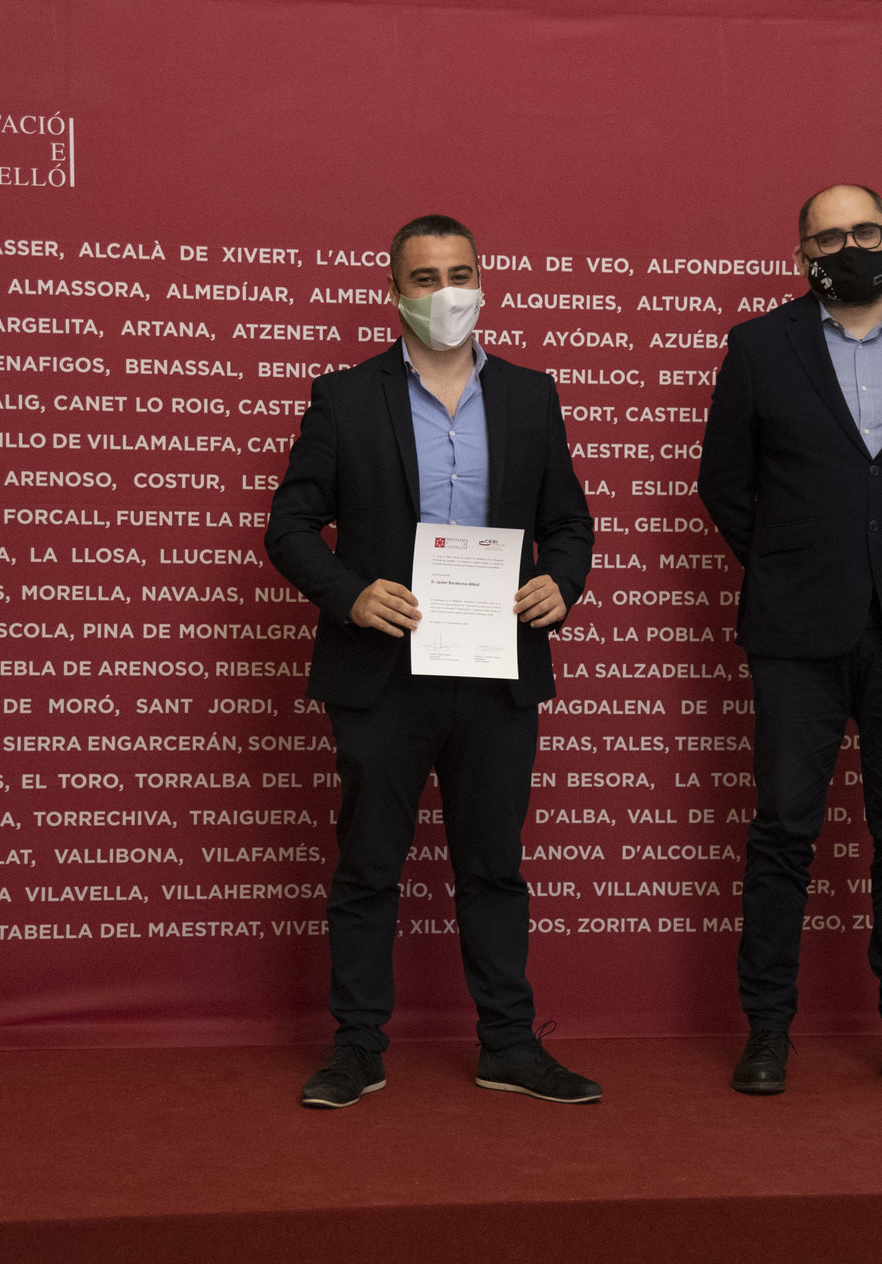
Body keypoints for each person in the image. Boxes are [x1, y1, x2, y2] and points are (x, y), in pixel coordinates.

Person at [264, 214, 598, 1108]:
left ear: (481, 281)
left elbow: (569, 521)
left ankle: (509, 1046)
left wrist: (562, 581)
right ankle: (356, 1049)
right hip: (382, 670)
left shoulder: (531, 395)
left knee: (494, 867)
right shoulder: (344, 397)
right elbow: (289, 526)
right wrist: (349, 595)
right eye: (425, 278)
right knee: (368, 866)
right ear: (396, 293)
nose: (447, 293)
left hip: (496, 664)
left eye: (460, 274)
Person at [697, 184, 882, 1098]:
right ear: (802, 255)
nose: (849, 246)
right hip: (796, 629)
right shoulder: (758, 346)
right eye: (828, 237)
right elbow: (724, 482)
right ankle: (767, 1030)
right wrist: (795, 563)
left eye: (864, 231)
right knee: (784, 830)